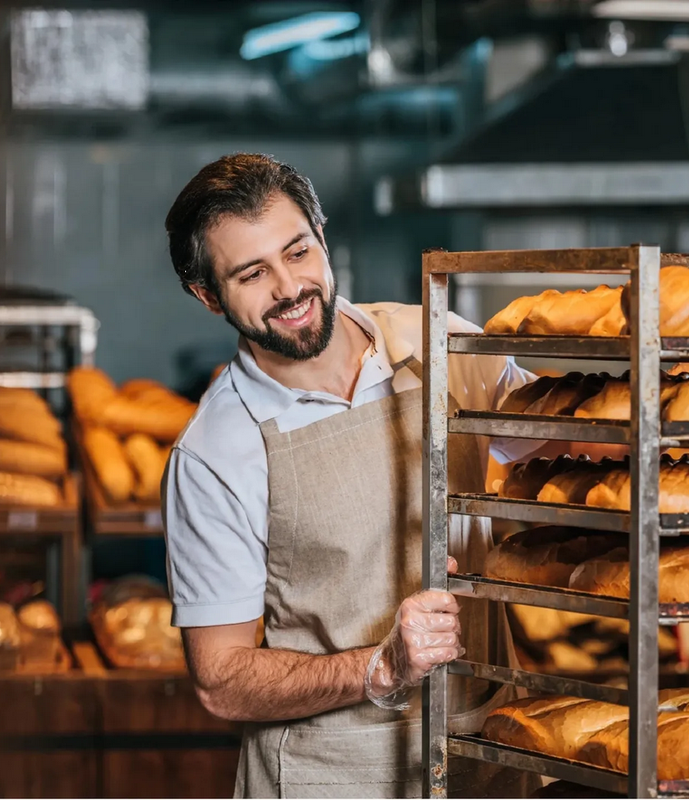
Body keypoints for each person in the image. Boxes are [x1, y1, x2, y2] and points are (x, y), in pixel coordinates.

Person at [161, 153, 559, 798]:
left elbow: (565, 441)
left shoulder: (434, 345)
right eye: (252, 274)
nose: (289, 288)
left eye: (298, 253)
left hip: (483, 752)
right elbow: (221, 677)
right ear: (208, 296)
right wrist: (382, 667)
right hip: (330, 776)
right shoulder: (216, 453)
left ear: (323, 238)